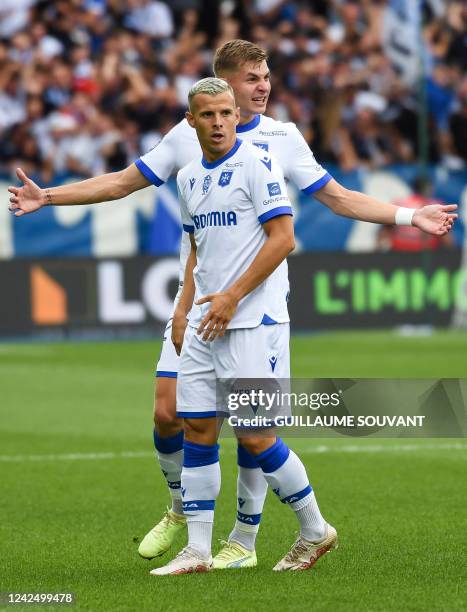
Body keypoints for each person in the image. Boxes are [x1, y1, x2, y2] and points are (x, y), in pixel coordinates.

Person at [8, 40, 457, 570]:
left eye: (266, 75)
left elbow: (336, 198)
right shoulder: (187, 140)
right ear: (219, 87)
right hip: (198, 300)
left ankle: (245, 539)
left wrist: (409, 217)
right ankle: (186, 518)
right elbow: (124, 185)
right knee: (173, 412)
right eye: (251, 77)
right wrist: (51, 196)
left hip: (257, 307)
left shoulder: (281, 139)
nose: (263, 85)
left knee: (252, 428)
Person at [151, 76, 337, 575]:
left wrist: (232, 297)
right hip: (203, 324)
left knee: (255, 434)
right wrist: (184, 310)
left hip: (252, 321)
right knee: (197, 426)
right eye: (206, 115)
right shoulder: (188, 176)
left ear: (237, 115)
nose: (217, 122)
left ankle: (315, 529)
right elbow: (196, 253)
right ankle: (197, 550)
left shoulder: (257, 167)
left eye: (225, 113)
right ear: (191, 121)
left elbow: (283, 239)